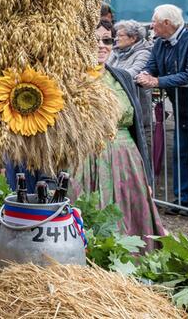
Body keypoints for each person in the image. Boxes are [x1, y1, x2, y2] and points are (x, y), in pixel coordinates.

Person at [73, 20, 165, 247]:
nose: (102, 46)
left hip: (127, 162)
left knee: (130, 226)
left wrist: (147, 176)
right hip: (87, 163)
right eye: (94, 40)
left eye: (107, 40)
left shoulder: (122, 77)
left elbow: (140, 128)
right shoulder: (70, 80)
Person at [136, 4, 188, 215]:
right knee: (181, 152)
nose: (151, 25)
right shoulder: (160, 43)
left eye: (154, 21)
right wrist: (144, 75)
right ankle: (182, 199)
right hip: (182, 106)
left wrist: (157, 81)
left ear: (167, 23)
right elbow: (152, 65)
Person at [108, 20, 153, 134]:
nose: (116, 38)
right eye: (116, 35)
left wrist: (107, 76)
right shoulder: (114, 52)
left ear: (133, 38)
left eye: (120, 35)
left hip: (135, 111)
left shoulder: (144, 53)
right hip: (115, 110)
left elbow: (131, 74)